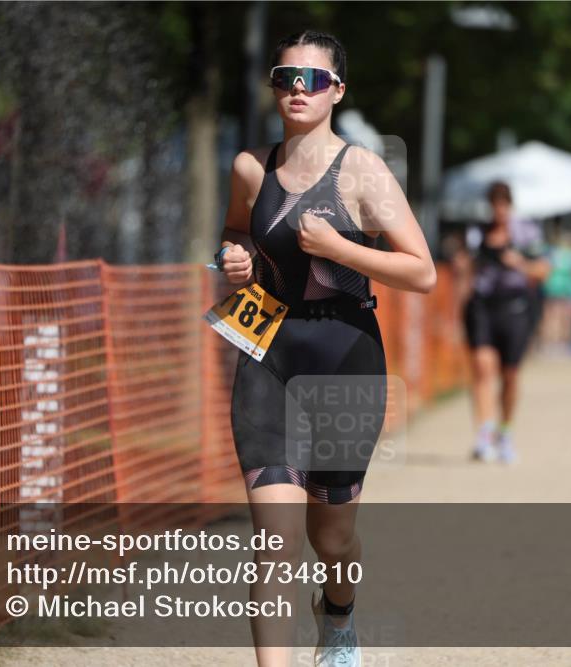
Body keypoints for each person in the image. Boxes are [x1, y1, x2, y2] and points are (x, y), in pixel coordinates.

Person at [216, 30, 436, 667]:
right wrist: (232, 259)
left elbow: (421, 272)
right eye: (285, 78)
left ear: (337, 89)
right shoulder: (249, 168)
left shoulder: (363, 171)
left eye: (310, 80)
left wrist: (339, 248)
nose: (295, 91)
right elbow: (235, 233)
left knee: (331, 539)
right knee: (274, 542)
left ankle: (337, 616)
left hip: (345, 359)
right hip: (268, 353)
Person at [462, 181, 550, 463]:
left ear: (509, 205)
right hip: (482, 306)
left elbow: (543, 271)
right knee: (482, 367)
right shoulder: (477, 233)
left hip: (515, 308)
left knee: (510, 375)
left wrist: (519, 263)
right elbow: (465, 270)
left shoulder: (527, 232)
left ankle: (506, 431)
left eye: (503, 204)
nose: (498, 210)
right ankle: (484, 434)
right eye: (494, 204)